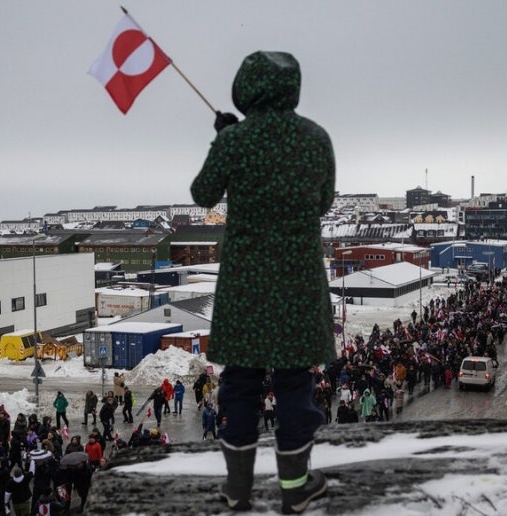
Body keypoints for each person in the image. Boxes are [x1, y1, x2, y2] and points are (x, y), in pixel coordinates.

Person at [191, 50, 334, 513]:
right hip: (297, 279)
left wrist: (227, 140)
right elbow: (324, 202)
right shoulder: (315, 138)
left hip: (246, 283)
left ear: (244, 87)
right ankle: (294, 488)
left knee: (241, 383)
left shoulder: (237, 141)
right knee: (295, 383)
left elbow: (202, 193)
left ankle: (237, 489)